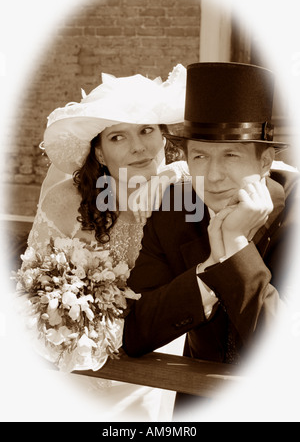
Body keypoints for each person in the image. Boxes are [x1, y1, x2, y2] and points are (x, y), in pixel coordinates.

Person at [122, 62, 300, 414]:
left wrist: (236, 249)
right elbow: (134, 331)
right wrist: (211, 271)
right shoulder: (174, 211)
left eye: (231, 155)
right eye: (200, 156)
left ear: (265, 162)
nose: (213, 176)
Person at [20, 64, 189, 421]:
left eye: (147, 131)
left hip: (156, 366)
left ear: (163, 138)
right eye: (118, 137)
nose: (138, 147)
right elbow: (30, 290)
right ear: (99, 153)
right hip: (77, 365)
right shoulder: (66, 201)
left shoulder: (187, 196)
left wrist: (178, 173)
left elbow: (269, 182)